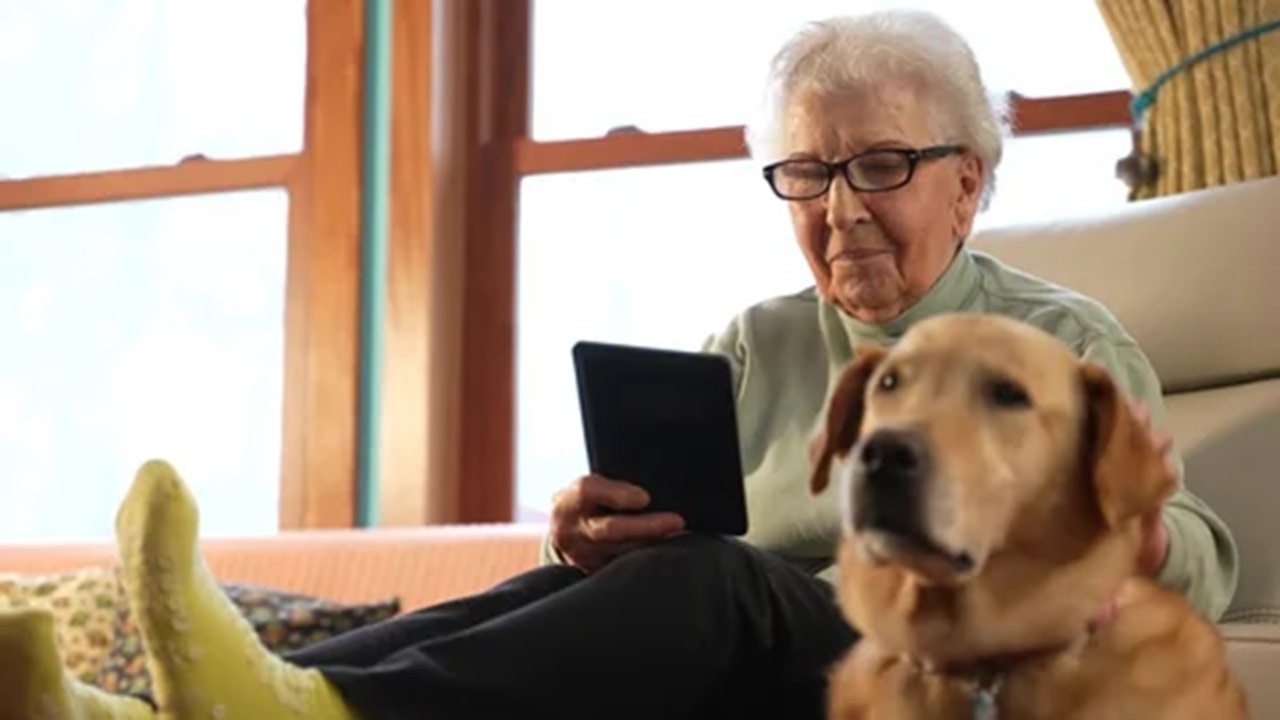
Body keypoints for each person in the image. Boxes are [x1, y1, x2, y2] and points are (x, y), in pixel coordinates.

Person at [0, 9, 1238, 720]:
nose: (838, 208)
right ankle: (190, 710)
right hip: (724, 644)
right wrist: (578, 542)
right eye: (805, 175)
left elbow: (1201, 559)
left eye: (876, 167)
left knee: (708, 581)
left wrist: (1082, 511)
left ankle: (305, 716)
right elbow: (627, 573)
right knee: (540, 589)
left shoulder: (1059, 343)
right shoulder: (757, 339)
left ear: (968, 180)